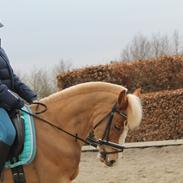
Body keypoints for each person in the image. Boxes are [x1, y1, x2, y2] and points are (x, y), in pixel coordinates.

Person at [0, 21, 37, 174]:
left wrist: (33, 98)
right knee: (8, 133)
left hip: (4, 102)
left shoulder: (1, 51)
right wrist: (14, 101)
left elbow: (13, 80)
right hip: (3, 102)